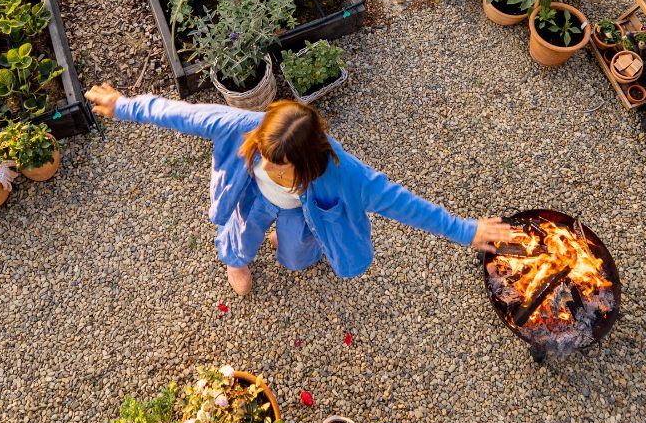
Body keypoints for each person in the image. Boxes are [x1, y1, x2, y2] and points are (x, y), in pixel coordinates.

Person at [86, 85, 515, 295]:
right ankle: (236, 261)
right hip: (251, 199)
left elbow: (403, 203)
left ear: (307, 160)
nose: (266, 163)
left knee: (297, 256)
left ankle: (285, 242)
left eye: (277, 163)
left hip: (300, 212)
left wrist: (465, 230)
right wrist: (125, 106)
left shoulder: (344, 174)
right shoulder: (242, 128)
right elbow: (181, 113)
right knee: (240, 236)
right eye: (262, 152)